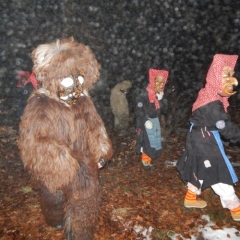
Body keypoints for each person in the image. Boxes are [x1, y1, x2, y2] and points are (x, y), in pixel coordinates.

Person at [177, 54, 240, 221]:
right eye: (225, 78)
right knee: (218, 172)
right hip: (205, 140)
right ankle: (236, 209)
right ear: (215, 78)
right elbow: (224, 126)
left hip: (197, 137)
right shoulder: (212, 103)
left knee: (199, 167)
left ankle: (190, 198)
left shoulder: (207, 94)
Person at [135, 68, 168, 170]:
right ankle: (145, 162)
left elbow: (163, 111)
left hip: (154, 122)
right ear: (153, 80)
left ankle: (149, 160)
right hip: (146, 122)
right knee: (146, 142)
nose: (160, 84)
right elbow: (138, 108)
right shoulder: (145, 94)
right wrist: (145, 120)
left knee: (153, 142)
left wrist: (161, 99)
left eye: (162, 82)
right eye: (157, 81)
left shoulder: (159, 95)